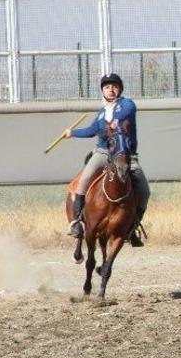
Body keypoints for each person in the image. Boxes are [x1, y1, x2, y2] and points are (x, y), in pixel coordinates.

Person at [63, 73, 150, 246]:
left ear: (120, 90)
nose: (111, 90)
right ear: (102, 91)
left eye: (114, 87)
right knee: (85, 179)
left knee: (144, 190)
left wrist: (109, 111)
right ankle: (76, 223)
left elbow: (117, 121)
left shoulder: (127, 105)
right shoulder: (101, 113)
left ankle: (131, 227)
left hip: (125, 155)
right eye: (107, 87)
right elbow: (92, 130)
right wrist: (72, 133)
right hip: (103, 153)